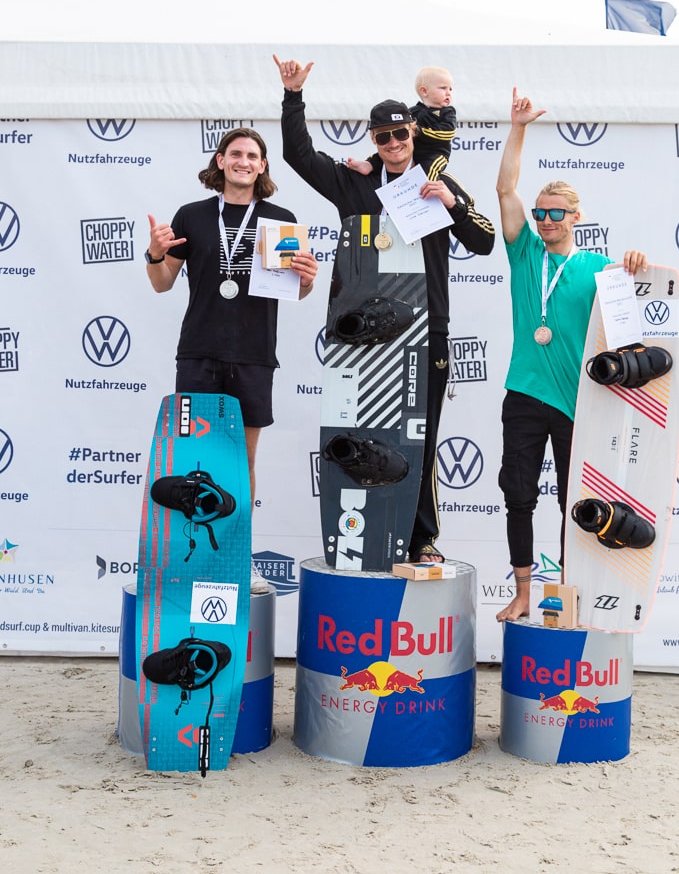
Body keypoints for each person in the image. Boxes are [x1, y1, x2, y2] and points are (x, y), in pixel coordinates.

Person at [273, 53, 495, 562]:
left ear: (414, 134)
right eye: (383, 138)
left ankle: (422, 540)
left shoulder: (436, 180)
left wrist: (452, 204)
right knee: (356, 430)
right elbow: (298, 154)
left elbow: (483, 243)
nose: (393, 144)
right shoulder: (354, 183)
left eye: (401, 135)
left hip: (426, 328)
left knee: (422, 435)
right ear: (372, 141)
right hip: (360, 333)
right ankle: (357, 533)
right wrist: (293, 96)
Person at [495, 90, 647, 621]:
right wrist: (518, 128)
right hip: (523, 394)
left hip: (576, 402)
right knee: (518, 496)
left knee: (570, 502)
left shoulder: (602, 268)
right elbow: (505, 187)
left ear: (576, 216)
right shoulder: (524, 251)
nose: (544, 220)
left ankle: (561, 591)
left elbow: (638, 313)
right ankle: (520, 591)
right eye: (539, 213)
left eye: (554, 213)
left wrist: (635, 264)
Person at [145, 126, 319, 592]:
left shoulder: (280, 219)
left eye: (253, 155)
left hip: (254, 355)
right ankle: (194, 557)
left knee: (242, 461)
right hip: (198, 351)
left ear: (263, 166)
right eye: (235, 153)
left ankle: (236, 555)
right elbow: (162, 282)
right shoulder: (192, 215)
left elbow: (298, 292)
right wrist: (153, 253)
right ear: (220, 161)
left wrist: (308, 277)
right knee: (192, 460)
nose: (244, 161)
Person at [347, 66, 457, 181]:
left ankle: (425, 188)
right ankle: (368, 165)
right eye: (443, 88)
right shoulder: (413, 111)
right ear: (424, 91)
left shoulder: (448, 112)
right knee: (387, 153)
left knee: (428, 169)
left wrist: (419, 131)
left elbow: (448, 133)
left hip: (434, 153)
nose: (448, 93)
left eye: (450, 89)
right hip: (413, 150)